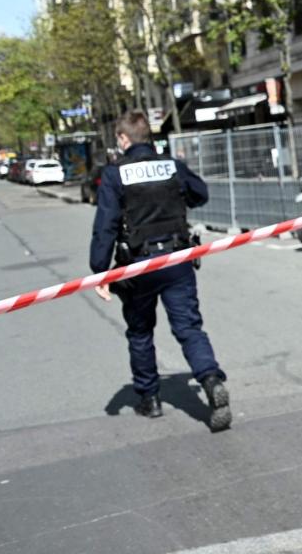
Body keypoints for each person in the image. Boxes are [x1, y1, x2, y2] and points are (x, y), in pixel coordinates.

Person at [90, 110, 231, 432]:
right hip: (177, 259)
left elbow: (106, 227)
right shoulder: (171, 166)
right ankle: (210, 379)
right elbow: (200, 194)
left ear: (124, 139)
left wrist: (100, 271)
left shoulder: (115, 174)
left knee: (140, 332)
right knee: (189, 328)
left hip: (137, 266)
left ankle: (150, 399)